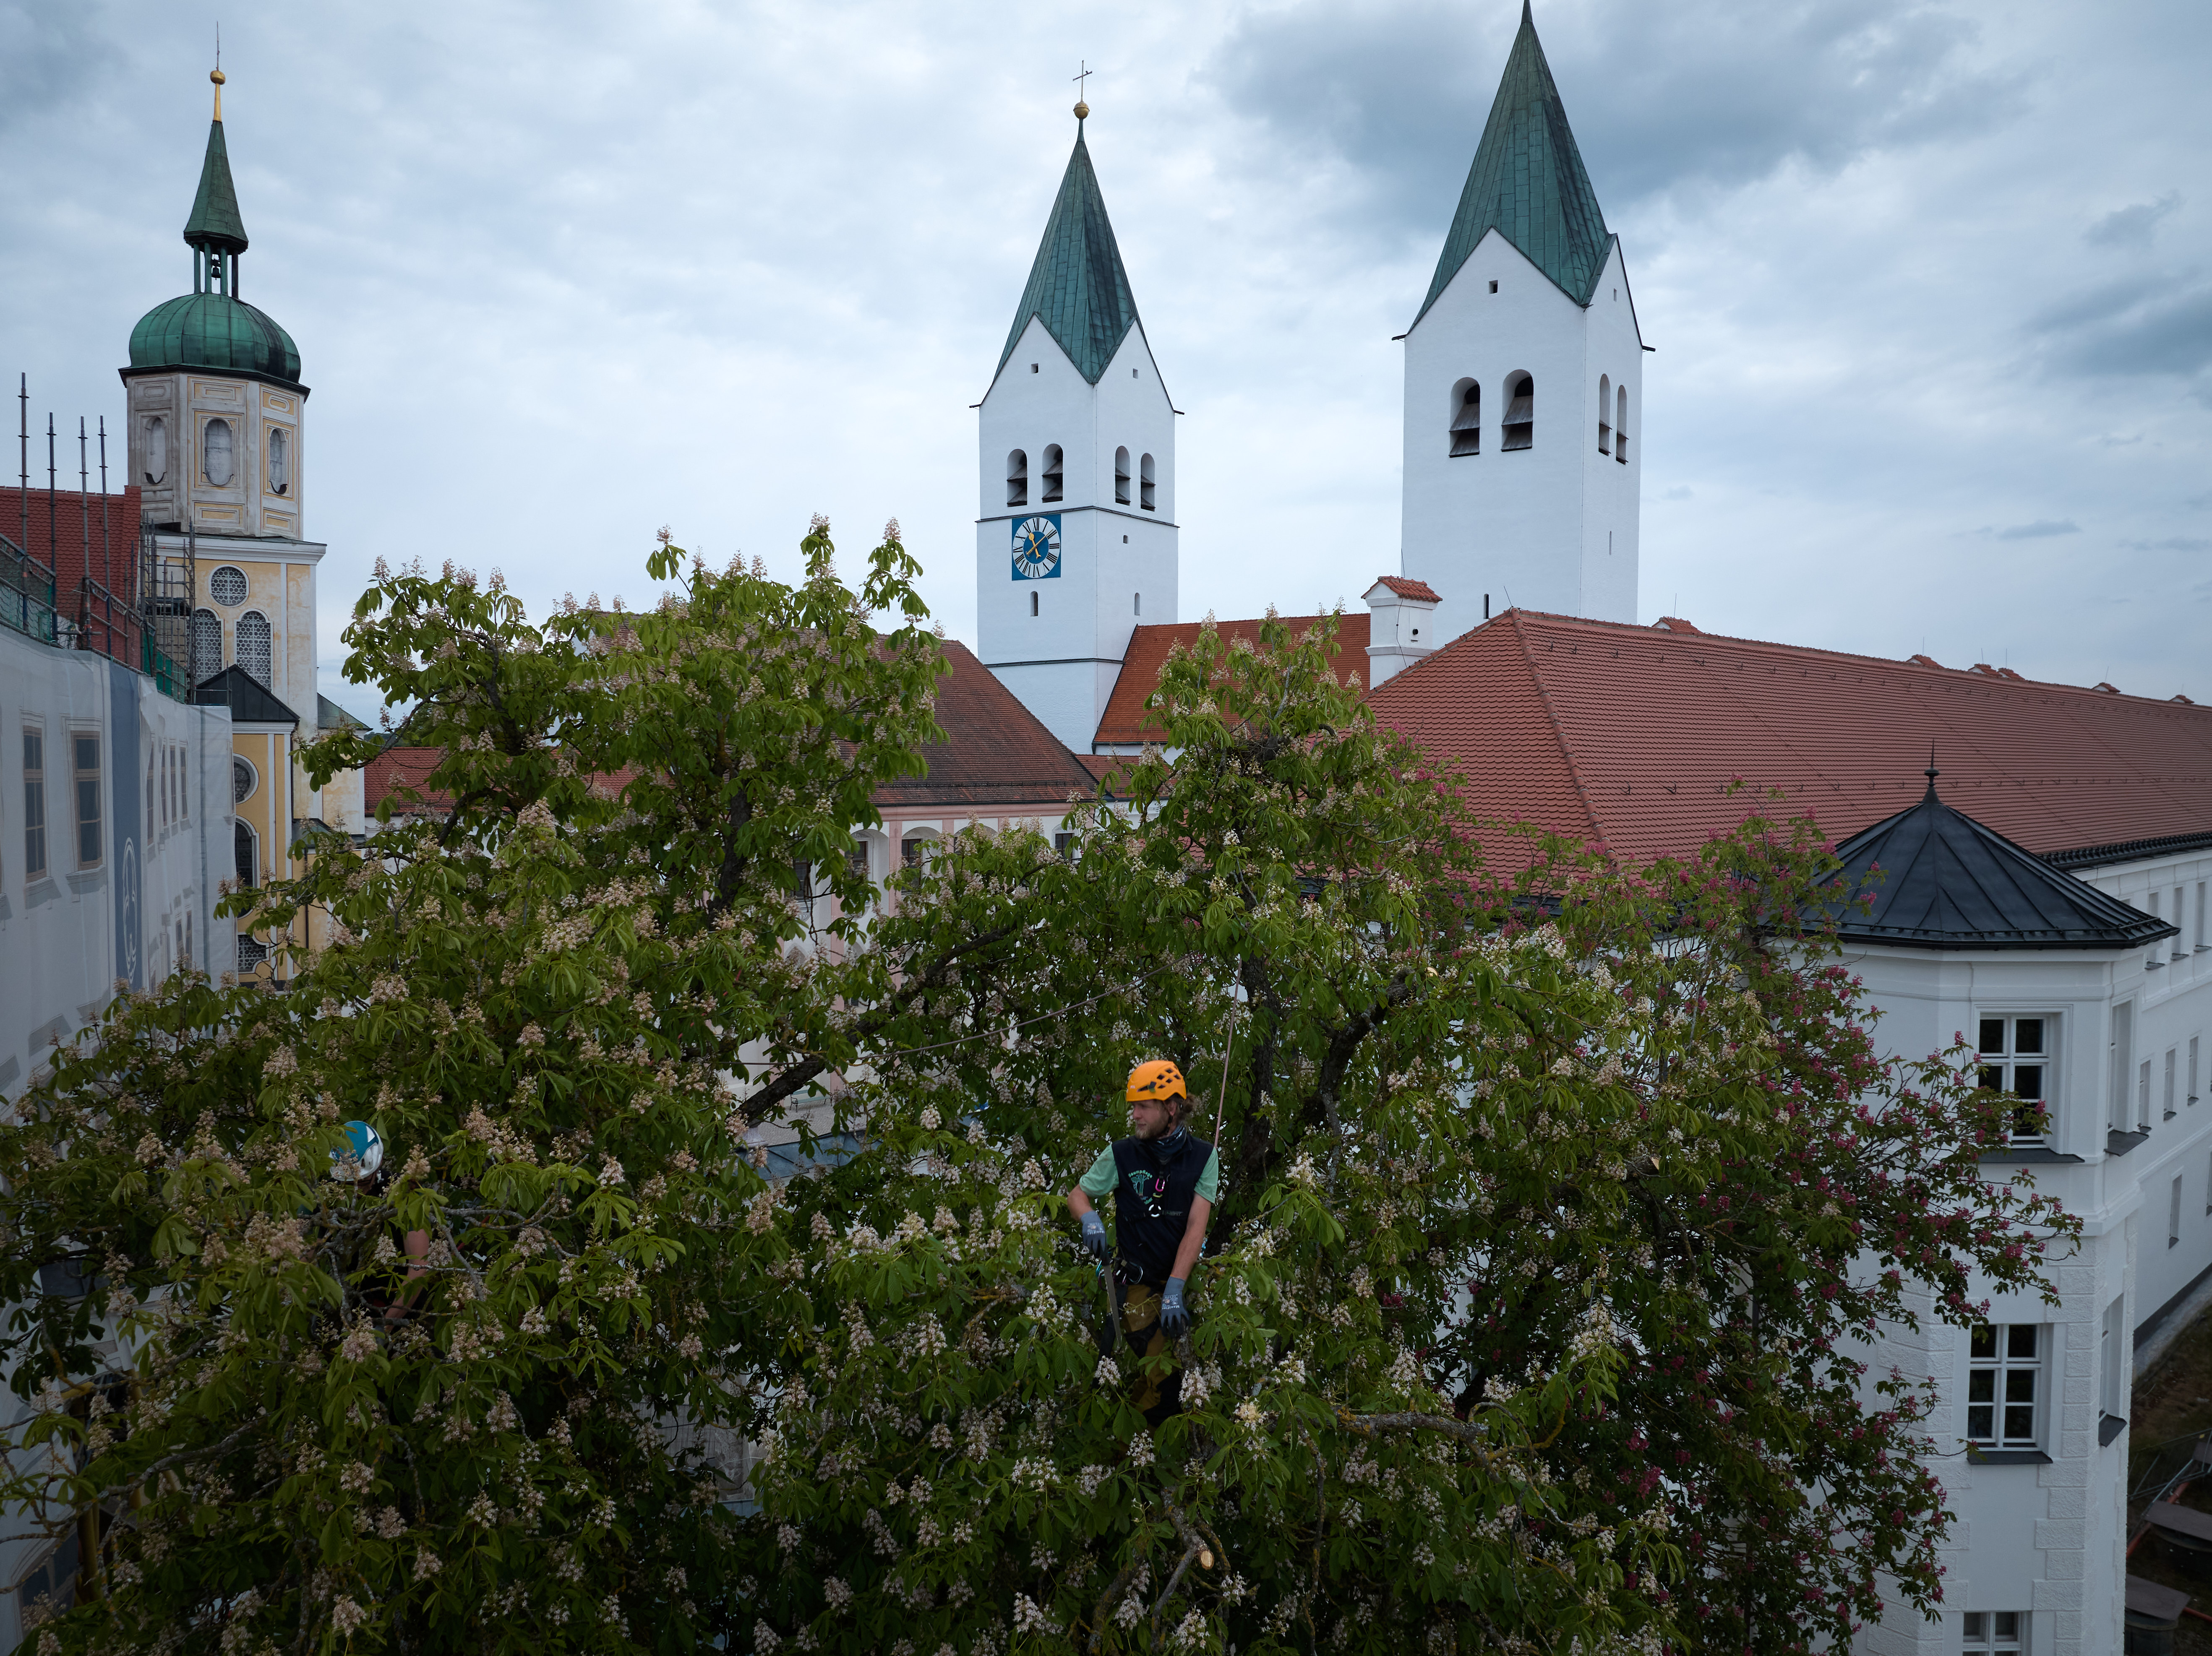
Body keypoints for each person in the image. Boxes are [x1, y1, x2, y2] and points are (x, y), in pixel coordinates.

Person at [1067, 1060, 1219, 1425]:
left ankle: (1137, 1450)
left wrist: (1175, 1289)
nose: (1134, 1115)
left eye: (1142, 1107)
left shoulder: (1203, 1157)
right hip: (1134, 1286)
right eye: (1132, 1106)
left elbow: (1196, 1229)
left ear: (1171, 1108)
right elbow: (1077, 1196)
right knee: (1165, 1382)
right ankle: (1131, 1454)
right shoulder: (1121, 1154)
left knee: (1187, 1381)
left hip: (1182, 1282)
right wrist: (1090, 1221)